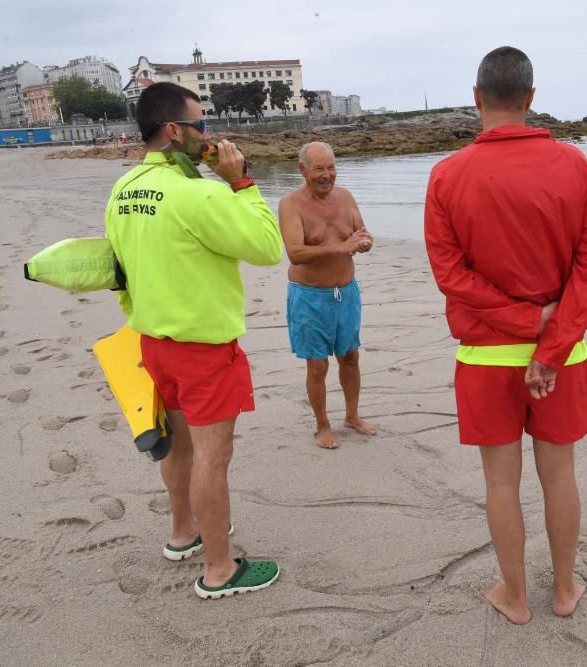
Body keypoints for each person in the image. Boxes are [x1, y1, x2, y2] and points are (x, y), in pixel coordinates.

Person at [424, 46, 587, 624]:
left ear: (476, 97)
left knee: (500, 483)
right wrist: (547, 339)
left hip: (484, 358)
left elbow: (451, 276)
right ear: (531, 99)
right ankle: (563, 589)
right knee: (560, 477)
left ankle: (515, 595)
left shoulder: (446, 175)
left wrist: (522, 325)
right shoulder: (576, 167)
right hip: (564, 355)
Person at [104, 82, 284, 600]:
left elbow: (119, 269)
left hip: (154, 341)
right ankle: (219, 568)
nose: (211, 135)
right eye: (202, 126)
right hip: (202, 345)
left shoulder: (125, 188)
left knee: (179, 444)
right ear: (175, 131)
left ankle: (183, 532)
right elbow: (268, 247)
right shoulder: (198, 193)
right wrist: (241, 181)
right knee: (212, 455)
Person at [277, 142, 376, 449]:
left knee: (350, 356)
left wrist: (364, 241)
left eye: (331, 167)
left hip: (345, 293)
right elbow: (295, 253)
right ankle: (322, 426)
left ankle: (352, 416)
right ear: (303, 170)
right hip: (309, 296)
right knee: (317, 364)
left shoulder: (345, 196)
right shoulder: (291, 204)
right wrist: (340, 247)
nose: (326, 175)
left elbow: (361, 233)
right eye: (318, 169)